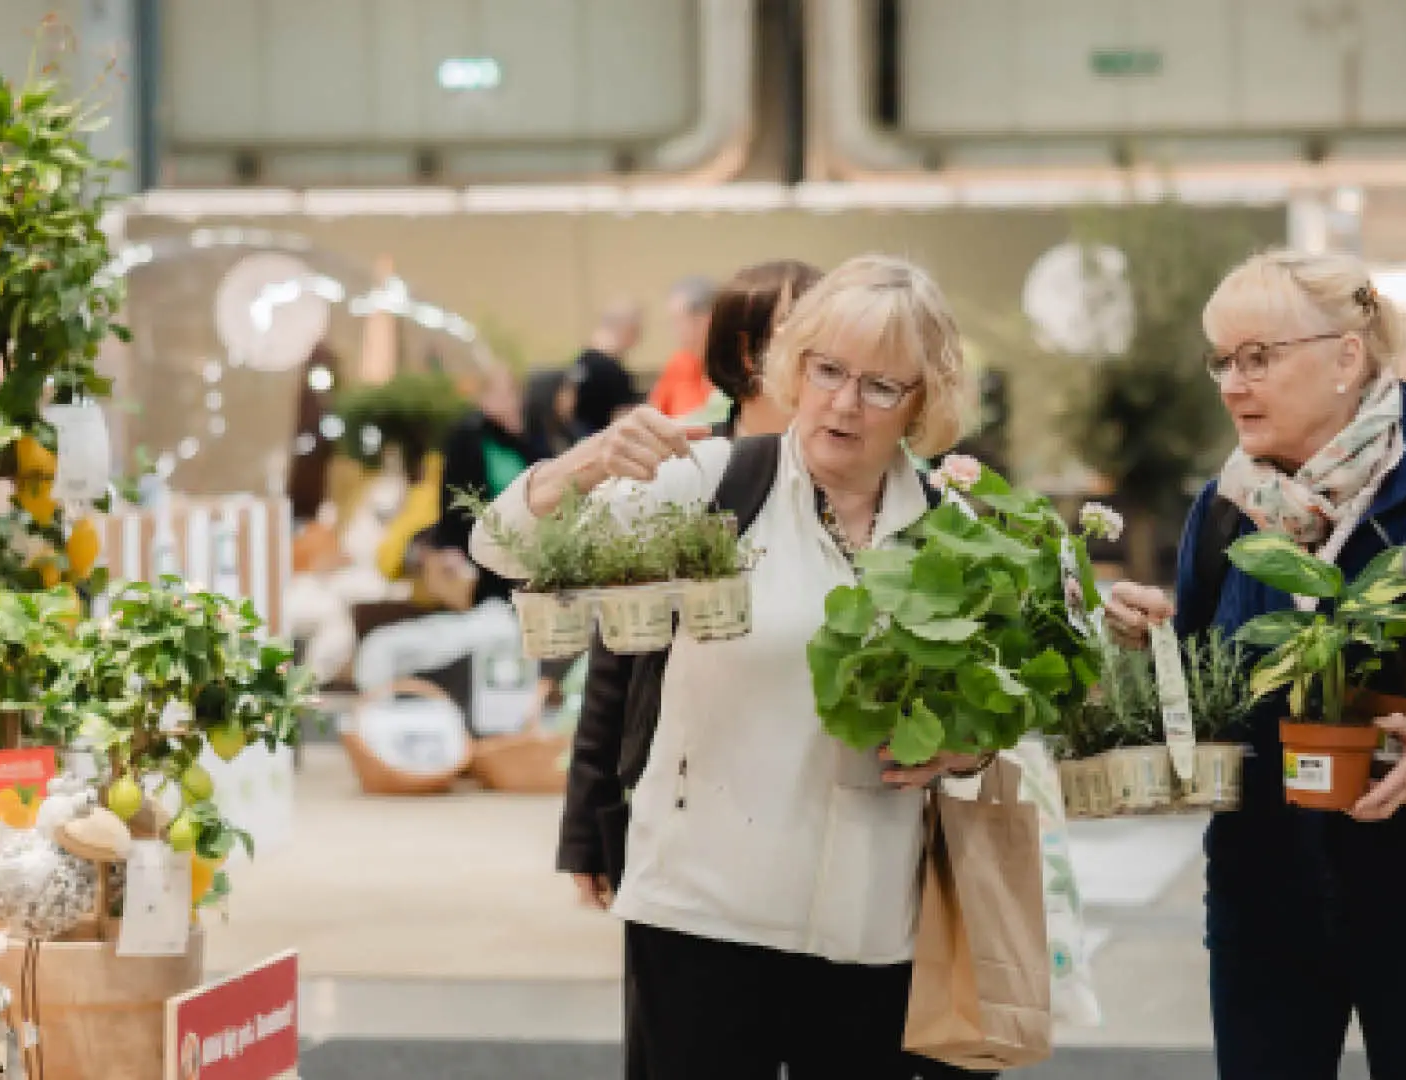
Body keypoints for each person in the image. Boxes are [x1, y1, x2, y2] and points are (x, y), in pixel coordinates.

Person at [472, 255, 988, 1080]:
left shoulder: (955, 531)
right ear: (794, 367)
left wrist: (967, 746)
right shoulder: (709, 483)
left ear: (923, 401)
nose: (845, 403)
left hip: (871, 926)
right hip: (702, 917)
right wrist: (584, 464)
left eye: (882, 386)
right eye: (827, 370)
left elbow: (1001, 708)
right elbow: (501, 545)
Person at [1103, 249, 1406, 1080]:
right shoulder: (1226, 509)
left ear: (1345, 357)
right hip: (1261, 905)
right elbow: (1205, 684)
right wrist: (1155, 648)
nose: (1231, 382)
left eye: (1258, 357)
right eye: (1222, 359)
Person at [560, 259, 823, 1080]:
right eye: (799, 332)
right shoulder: (690, 469)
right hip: (688, 831)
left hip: (824, 833)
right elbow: (619, 654)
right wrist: (589, 821)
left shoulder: (864, 482)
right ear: (746, 353)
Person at [420, 365, 540, 609]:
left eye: (512, 393)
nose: (509, 401)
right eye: (500, 393)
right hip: (479, 548)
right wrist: (450, 546)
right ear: (484, 397)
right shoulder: (467, 437)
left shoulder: (523, 439)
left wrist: (519, 434)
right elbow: (453, 496)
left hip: (522, 548)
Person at [570, 300, 645, 437]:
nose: (638, 339)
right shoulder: (614, 372)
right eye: (637, 331)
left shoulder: (581, 361)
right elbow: (624, 424)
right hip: (603, 446)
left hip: (578, 445)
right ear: (627, 329)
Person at [647, 276, 719, 418]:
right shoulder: (679, 363)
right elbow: (655, 416)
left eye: (677, 321)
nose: (673, 330)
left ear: (706, 319)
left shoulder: (735, 365)